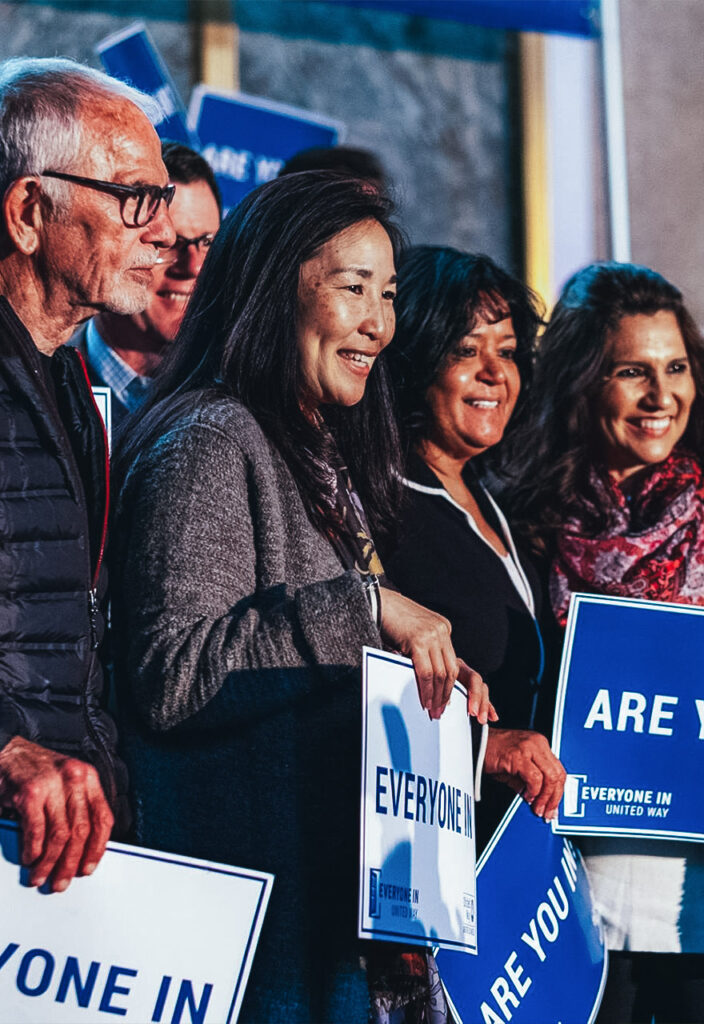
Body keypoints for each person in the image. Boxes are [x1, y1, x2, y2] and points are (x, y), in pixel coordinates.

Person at [111, 174, 494, 1022]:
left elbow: (306, 641)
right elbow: (174, 674)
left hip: (319, 920)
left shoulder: (310, 442)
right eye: (353, 289)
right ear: (272, 285)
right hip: (254, 937)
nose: (378, 324)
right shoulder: (212, 439)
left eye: (387, 295)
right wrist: (368, 610)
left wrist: (423, 676)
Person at [505, 262, 704, 1024]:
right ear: (580, 380)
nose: (660, 396)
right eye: (631, 371)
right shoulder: (522, 521)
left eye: (674, 368)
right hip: (568, 899)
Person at [0, 57, 174, 892]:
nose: (163, 232)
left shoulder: (72, 378)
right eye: (135, 198)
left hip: (57, 864)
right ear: (30, 212)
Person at [380, 244, 565, 846]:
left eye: (507, 352)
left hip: (513, 848)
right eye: (466, 351)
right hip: (424, 851)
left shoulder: (497, 498)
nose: (494, 373)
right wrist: (486, 747)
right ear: (414, 360)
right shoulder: (380, 504)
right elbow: (353, 685)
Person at [69, 142, 222, 439]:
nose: (193, 266)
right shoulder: (44, 377)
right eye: (168, 243)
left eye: (207, 242)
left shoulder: (235, 392)